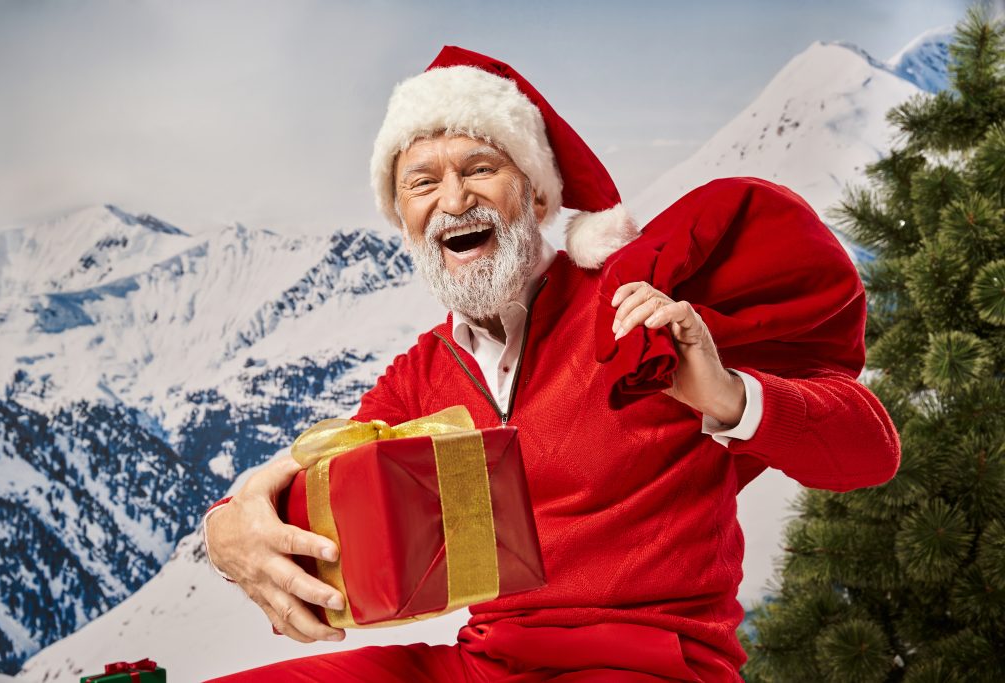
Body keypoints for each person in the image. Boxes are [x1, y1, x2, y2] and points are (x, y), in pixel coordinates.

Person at [202, 46, 901, 682]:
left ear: (538, 195)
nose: (453, 200)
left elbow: (871, 451)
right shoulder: (421, 375)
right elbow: (332, 469)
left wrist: (726, 395)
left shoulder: (638, 312)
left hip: (654, 664)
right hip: (488, 664)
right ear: (403, 218)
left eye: (480, 168)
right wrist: (226, 525)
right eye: (422, 182)